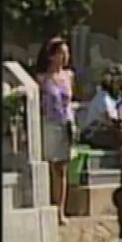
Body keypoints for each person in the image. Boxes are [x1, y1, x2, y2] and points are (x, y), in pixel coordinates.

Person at [33, 36, 76, 224]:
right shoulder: (42, 79)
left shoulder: (68, 76)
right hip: (49, 123)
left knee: (61, 168)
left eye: (66, 53)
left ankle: (60, 209)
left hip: (65, 122)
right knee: (48, 165)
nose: (65, 57)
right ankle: (46, 204)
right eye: (61, 53)